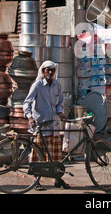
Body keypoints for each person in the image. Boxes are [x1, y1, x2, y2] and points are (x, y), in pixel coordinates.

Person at [23, 60, 70, 190]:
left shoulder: (57, 85)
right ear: (43, 71)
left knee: (56, 154)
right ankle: (36, 181)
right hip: (41, 125)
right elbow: (27, 102)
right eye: (47, 70)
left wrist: (60, 113)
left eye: (52, 70)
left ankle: (58, 179)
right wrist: (30, 117)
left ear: (55, 72)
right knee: (38, 154)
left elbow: (60, 102)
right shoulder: (37, 85)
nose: (49, 72)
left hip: (54, 124)